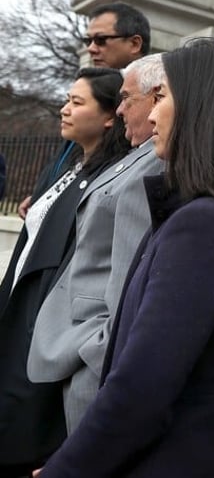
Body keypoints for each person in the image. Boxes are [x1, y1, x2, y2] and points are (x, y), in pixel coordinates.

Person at [34, 38, 214, 476]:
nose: (151, 113)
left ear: (201, 108)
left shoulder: (206, 227)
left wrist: (66, 469)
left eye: (164, 97)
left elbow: (143, 386)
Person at [0, 67, 130, 477]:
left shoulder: (110, 180)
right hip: (19, 313)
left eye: (77, 103)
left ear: (110, 116)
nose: (64, 110)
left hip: (44, 333)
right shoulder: (66, 165)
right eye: (66, 100)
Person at [27, 54, 166, 432]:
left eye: (127, 99)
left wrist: (91, 355)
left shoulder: (155, 163)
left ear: (158, 97)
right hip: (68, 344)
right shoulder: (138, 157)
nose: (120, 109)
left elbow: (124, 287)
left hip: (88, 355)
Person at [17, 2, 150, 219]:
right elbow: (74, 156)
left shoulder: (147, 102)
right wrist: (47, 191)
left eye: (101, 40)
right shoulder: (92, 86)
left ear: (134, 43)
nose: (91, 48)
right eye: (88, 40)